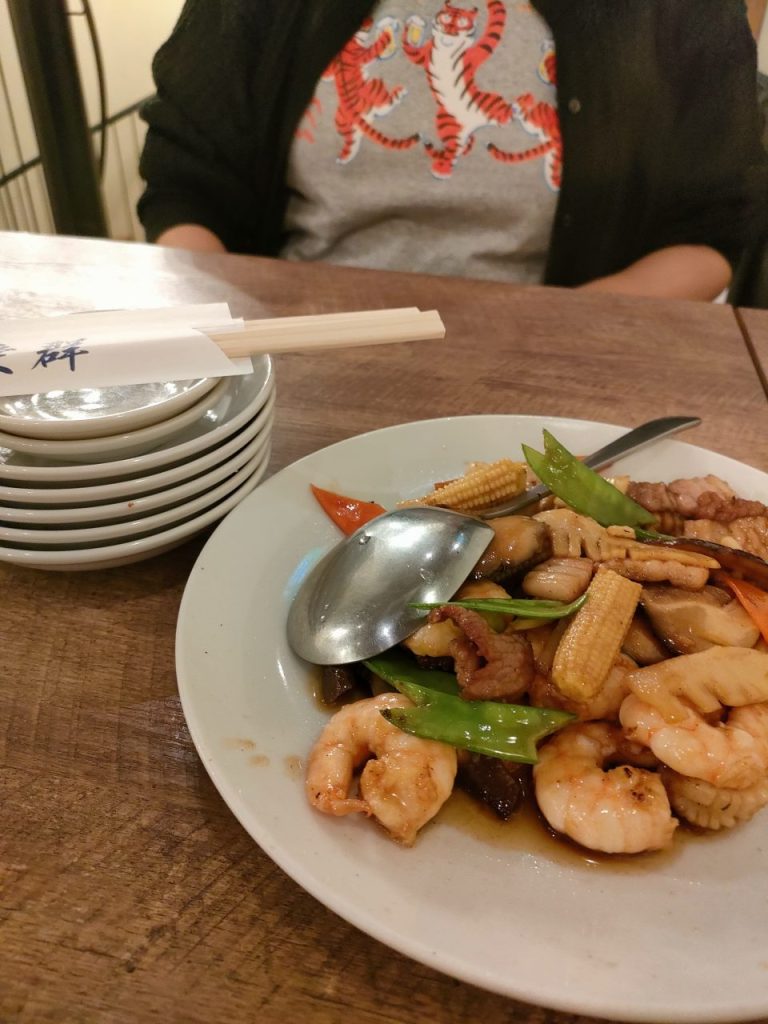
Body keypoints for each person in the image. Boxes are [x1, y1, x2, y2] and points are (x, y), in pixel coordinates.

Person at [138, 0, 768, 302]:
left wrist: (557, 333)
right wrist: (232, 329)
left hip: (558, 357)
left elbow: (708, 233)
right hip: (295, 344)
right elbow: (186, 185)